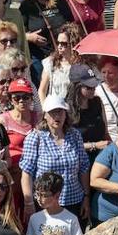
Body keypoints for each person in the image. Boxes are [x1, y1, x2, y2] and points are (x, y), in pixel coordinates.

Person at [19, 95, 91, 223]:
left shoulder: (75, 135)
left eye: (60, 112)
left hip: (73, 200)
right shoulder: (35, 138)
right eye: (52, 113)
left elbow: (84, 167)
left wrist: (86, 196)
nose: (57, 116)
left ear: (65, 114)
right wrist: (28, 202)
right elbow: (27, 173)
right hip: (45, 204)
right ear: (45, 115)